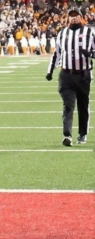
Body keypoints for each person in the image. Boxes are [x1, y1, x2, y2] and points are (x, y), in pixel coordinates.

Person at [46, 8, 94, 146]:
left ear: (81, 17)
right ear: (68, 18)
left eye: (76, 15)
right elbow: (57, 54)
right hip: (66, 74)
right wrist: (50, 71)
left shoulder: (90, 32)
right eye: (71, 16)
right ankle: (67, 135)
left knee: (83, 105)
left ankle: (82, 134)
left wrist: (90, 53)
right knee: (68, 105)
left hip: (83, 75)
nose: (73, 18)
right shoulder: (62, 33)